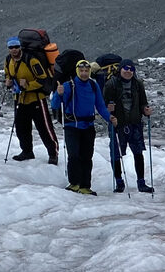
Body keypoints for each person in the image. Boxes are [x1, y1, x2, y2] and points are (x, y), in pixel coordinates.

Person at [50, 57, 111, 193]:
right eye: (81, 70)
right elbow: (54, 105)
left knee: (86, 157)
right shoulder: (68, 86)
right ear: (77, 71)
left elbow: (100, 106)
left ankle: (85, 186)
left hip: (88, 127)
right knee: (74, 155)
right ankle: (74, 183)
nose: (84, 73)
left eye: (86, 70)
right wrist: (58, 94)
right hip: (72, 126)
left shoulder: (93, 86)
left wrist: (110, 118)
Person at [4, 36, 58, 165]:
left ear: (20, 47)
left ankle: (53, 154)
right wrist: (8, 82)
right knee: (21, 128)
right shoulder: (8, 60)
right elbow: (8, 74)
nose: (14, 50)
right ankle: (27, 151)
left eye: (16, 47)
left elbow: (42, 79)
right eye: (11, 47)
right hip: (19, 99)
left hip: (36, 99)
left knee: (44, 127)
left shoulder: (31, 60)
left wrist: (27, 85)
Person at [102, 58, 153, 193]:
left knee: (138, 153)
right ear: (121, 69)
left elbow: (143, 102)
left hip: (135, 123)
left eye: (131, 69)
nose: (129, 71)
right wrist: (109, 111)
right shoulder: (111, 84)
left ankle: (141, 183)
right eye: (126, 68)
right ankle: (119, 182)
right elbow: (103, 105)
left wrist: (145, 110)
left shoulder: (138, 84)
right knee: (116, 154)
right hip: (117, 124)